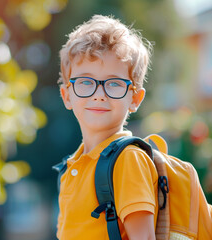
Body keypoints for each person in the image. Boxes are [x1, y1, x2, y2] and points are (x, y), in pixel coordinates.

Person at [56, 15, 157, 240]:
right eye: (85, 82)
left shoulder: (127, 160)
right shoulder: (72, 166)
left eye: (114, 83)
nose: (99, 95)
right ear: (66, 96)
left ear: (135, 98)